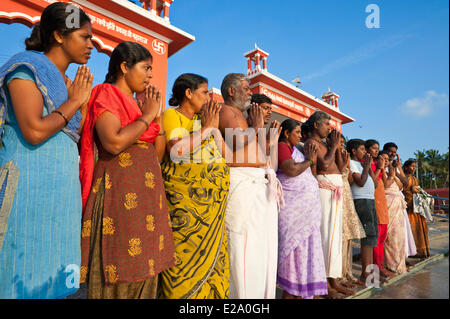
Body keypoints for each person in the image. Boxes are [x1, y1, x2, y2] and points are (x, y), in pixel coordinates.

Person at [0, 2, 93, 298]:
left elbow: (73, 137)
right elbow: (34, 130)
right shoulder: (27, 67)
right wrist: (75, 101)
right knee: (19, 271)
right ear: (58, 35)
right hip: (28, 188)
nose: (91, 45)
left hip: (61, 198)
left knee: (58, 277)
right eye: (84, 37)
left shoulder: (70, 84)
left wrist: (80, 100)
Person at [79, 41, 175, 299]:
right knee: (118, 267)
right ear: (124, 67)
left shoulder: (137, 106)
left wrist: (156, 120)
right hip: (118, 196)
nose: (150, 75)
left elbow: (155, 155)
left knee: (146, 269)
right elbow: (114, 141)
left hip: (145, 201)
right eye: (145, 68)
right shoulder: (106, 93)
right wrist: (147, 117)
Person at [158, 73, 230, 299]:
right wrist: (208, 129)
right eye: (205, 92)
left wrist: (213, 128)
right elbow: (176, 150)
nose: (209, 98)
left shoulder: (206, 123)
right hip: (185, 211)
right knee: (183, 265)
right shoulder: (171, 115)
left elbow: (227, 158)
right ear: (188, 94)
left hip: (212, 214)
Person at [218, 73, 280, 298]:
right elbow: (236, 142)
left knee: (260, 250)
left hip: (258, 183)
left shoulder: (244, 119)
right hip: (242, 183)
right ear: (231, 91)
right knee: (241, 248)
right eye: (245, 88)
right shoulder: (225, 111)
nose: (250, 92)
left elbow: (263, 157)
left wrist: (266, 137)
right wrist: (256, 126)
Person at [276, 119, 328, 299]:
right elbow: (290, 170)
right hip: (293, 214)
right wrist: (308, 160)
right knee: (293, 259)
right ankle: (292, 293)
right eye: (297, 132)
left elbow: (309, 173)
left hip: (306, 214)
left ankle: (303, 292)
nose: (300, 136)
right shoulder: (282, 147)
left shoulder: (295, 150)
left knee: (305, 256)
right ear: (286, 133)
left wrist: (308, 161)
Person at [304, 111, 353, 298]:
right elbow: (323, 166)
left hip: (335, 192)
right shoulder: (311, 143)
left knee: (334, 239)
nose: (329, 127)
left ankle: (333, 280)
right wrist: (333, 147)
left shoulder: (326, 145)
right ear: (316, 125)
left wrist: (338, 149)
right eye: (326, 124)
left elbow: (340, 169)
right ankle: (323, 282)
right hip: (324, 192)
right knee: (325, 237)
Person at [346, 139, 379, 287]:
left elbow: (375, 183)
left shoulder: (363, 164)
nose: (364, 152)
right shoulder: (352, 163)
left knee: (372, 235)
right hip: (361, 200)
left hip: (370, 200)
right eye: (361, 149)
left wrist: (369, 167)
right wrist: (366, 167)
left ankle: (370, 272)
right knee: (367, 236)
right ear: (353, 151)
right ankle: (365, 273)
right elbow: (360, 182)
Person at [365, 139, 395, 280]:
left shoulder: (379, 165)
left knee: (382, 235)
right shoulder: (370, 164)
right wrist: (380, 167)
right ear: (367, 150)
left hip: (382, 201)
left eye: (378, 148)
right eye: (374, 148)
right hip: (374, 200)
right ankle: (377, 267)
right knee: (376, 237)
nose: (376, 151)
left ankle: (381, 265)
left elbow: (386, 184)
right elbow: (373, 182)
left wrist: (391, 171)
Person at [338, 135, 366, 287]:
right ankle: (338, 275)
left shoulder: (345, 158)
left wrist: (346, 163)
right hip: (336, 195)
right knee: (340, 237)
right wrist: (342, 162)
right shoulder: (332, 155)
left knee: (348, 237)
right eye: (339, 143)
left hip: (346, 195)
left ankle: (347, 272)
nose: (341, 146)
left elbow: (348, 179)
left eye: (342, 143)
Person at [381, 151, 408, 274]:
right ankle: (391, 265)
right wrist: (390, 175)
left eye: (388, 159)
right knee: (390, 236)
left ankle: (399, 264)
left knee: (400, 236)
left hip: (397, 205)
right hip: (387, 204)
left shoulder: (392, 171)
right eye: (384, 158)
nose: (387, 161)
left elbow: (403, 184)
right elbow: (386, 186)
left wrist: (397, 168)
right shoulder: (380, 171)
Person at [402, 160, 430, 259]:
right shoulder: (403, 178)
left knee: (419, 230)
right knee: (411, 230)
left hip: (417, 208)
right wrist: (411, 190)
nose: (414, 168)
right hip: (408, 208)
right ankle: (411, 251)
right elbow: (403, 191)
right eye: (412, 166)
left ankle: (421, 251)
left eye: (415, 167)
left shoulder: (414, 179)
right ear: (405, 167)